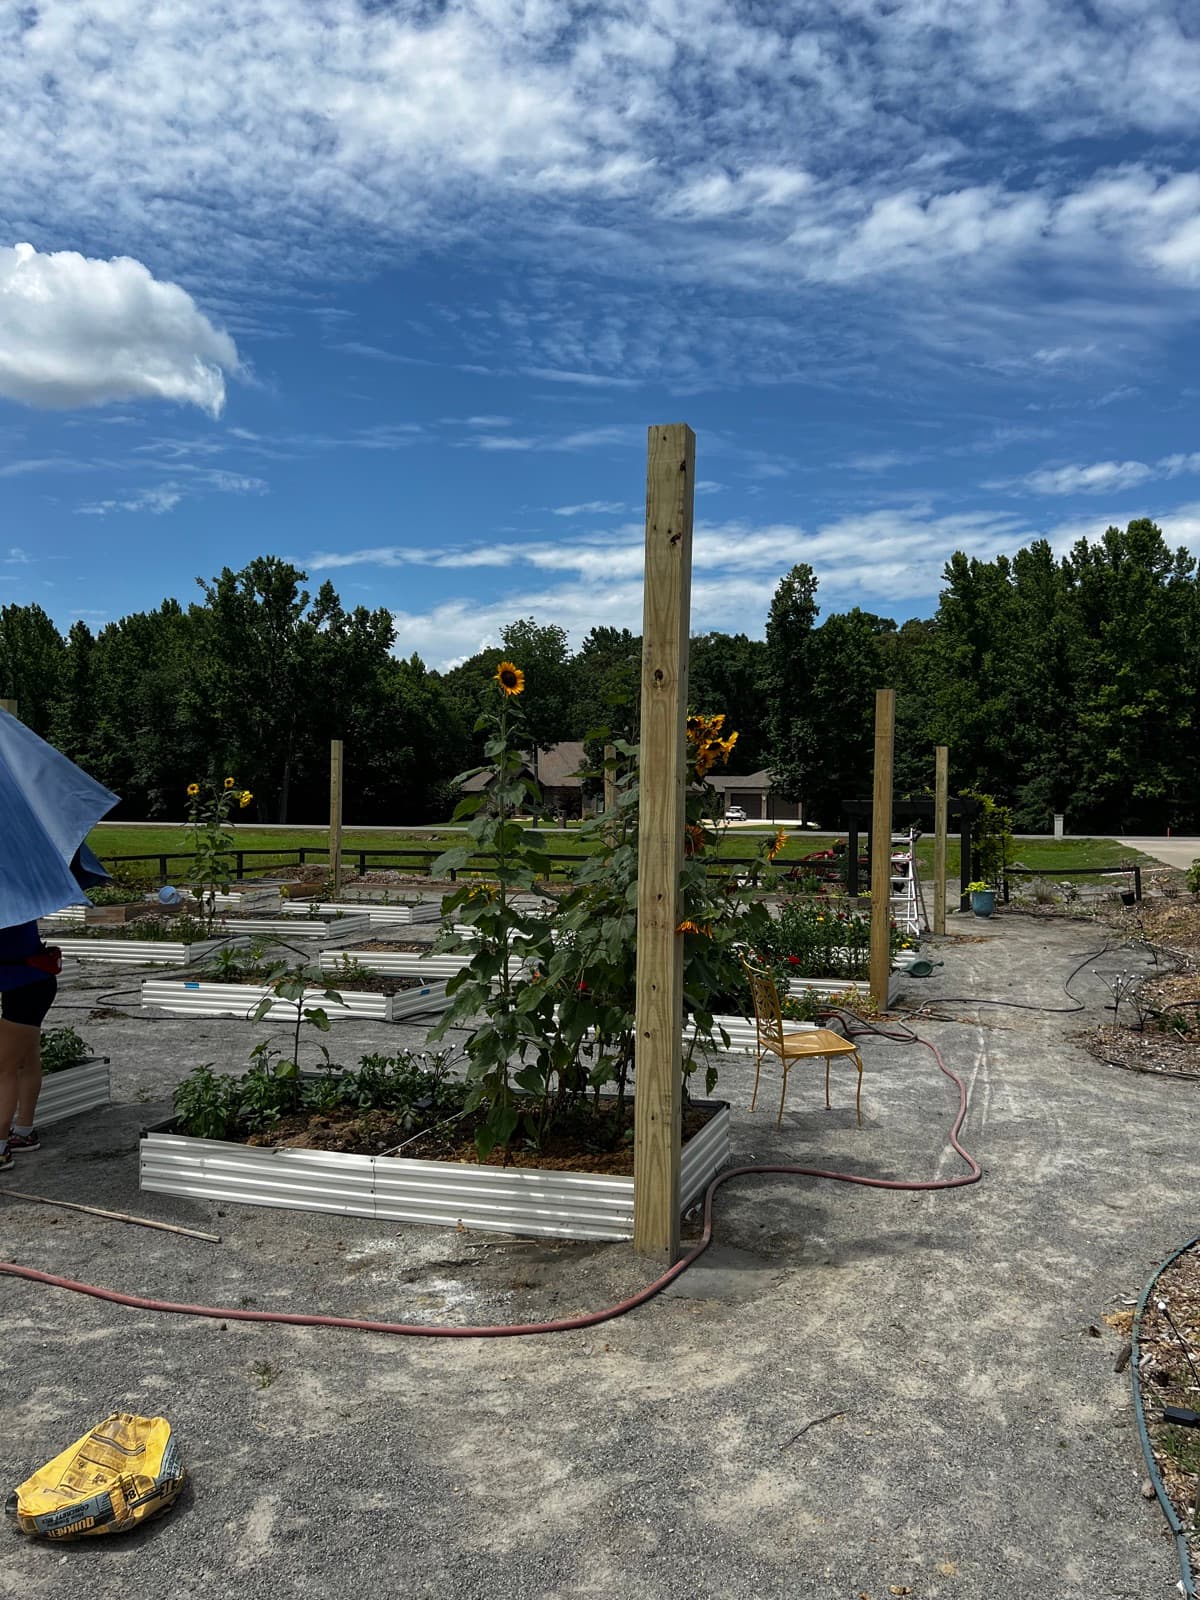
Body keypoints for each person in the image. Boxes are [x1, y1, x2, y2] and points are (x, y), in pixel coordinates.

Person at [0, 920, 61, 1171]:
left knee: (3, 1068)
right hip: (33, 981)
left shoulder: (6, 912)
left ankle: (0, 1149)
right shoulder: (16, 906)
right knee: (26, 1059)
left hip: (24, 986)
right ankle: (24, 1131)